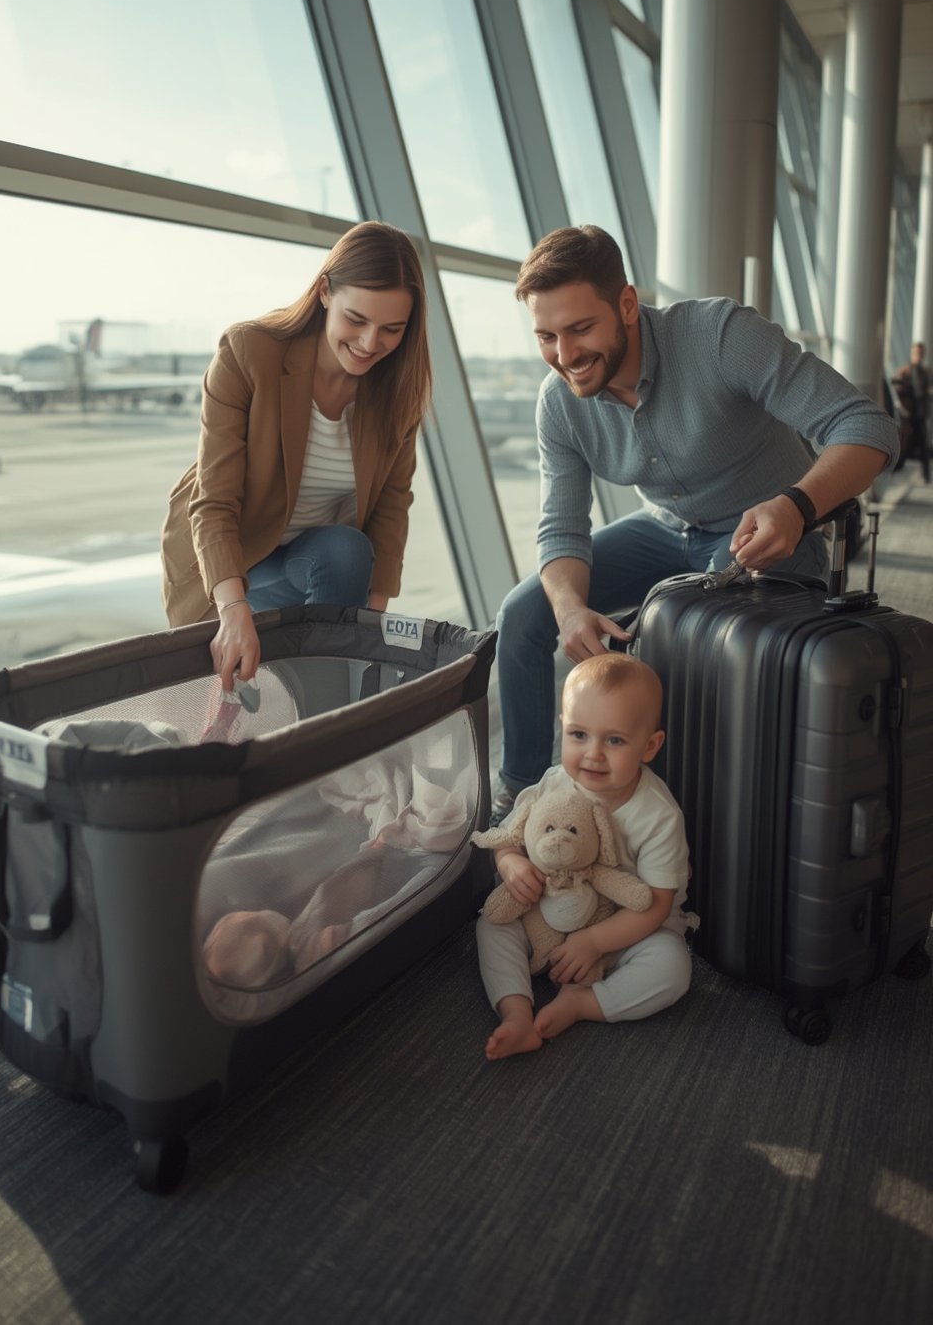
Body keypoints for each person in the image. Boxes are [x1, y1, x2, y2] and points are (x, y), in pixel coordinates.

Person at [491, 224, 901, 817]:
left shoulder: (719, 335)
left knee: (685, 638)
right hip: (664, 526)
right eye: (546, 336)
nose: (565, 354)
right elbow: (561, 530)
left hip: (768, 527)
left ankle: (660, 819)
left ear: (627, 305)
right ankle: (524, 800)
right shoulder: (558, 404)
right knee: (522, 617)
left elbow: (869, 428)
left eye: (581, 328)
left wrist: (798, 505)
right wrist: (570, 609)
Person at [161, 221, 432, 688]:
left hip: (318, 562)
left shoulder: (397, 388)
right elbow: (214, 502)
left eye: (392, 329)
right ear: (325, 291)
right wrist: (231, 610)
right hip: (234, 562)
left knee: (347, 551)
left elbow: (392, 509)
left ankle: (323, 722)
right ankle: (323, 724)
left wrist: (369, 635)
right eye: (357, 320)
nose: (371, 344)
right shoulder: (249, 351)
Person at [476, 652, 695, 1059]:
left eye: (614, 740)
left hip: (624, 930)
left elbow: (657, 903)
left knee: (672, 967)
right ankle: (516, 1013)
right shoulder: (554, 782)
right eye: (579, 735)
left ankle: (584, 1003)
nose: (593, 753)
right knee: (492, 924)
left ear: (649, 746)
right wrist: (510, 862)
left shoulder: (658, 815)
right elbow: (508, 832)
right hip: (549, 911)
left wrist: (594, 942)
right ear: (563, 729)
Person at [892, 342, 931, 484]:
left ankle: (926, 476)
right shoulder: (905, 371)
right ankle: (893, 471)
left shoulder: (926, 373)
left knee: (923, 445)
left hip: (920, 414)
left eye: (920, 353)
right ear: (912, 354)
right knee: (902, 445)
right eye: (916, 353)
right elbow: (896, 389)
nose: (918, 356)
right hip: (907, 415)